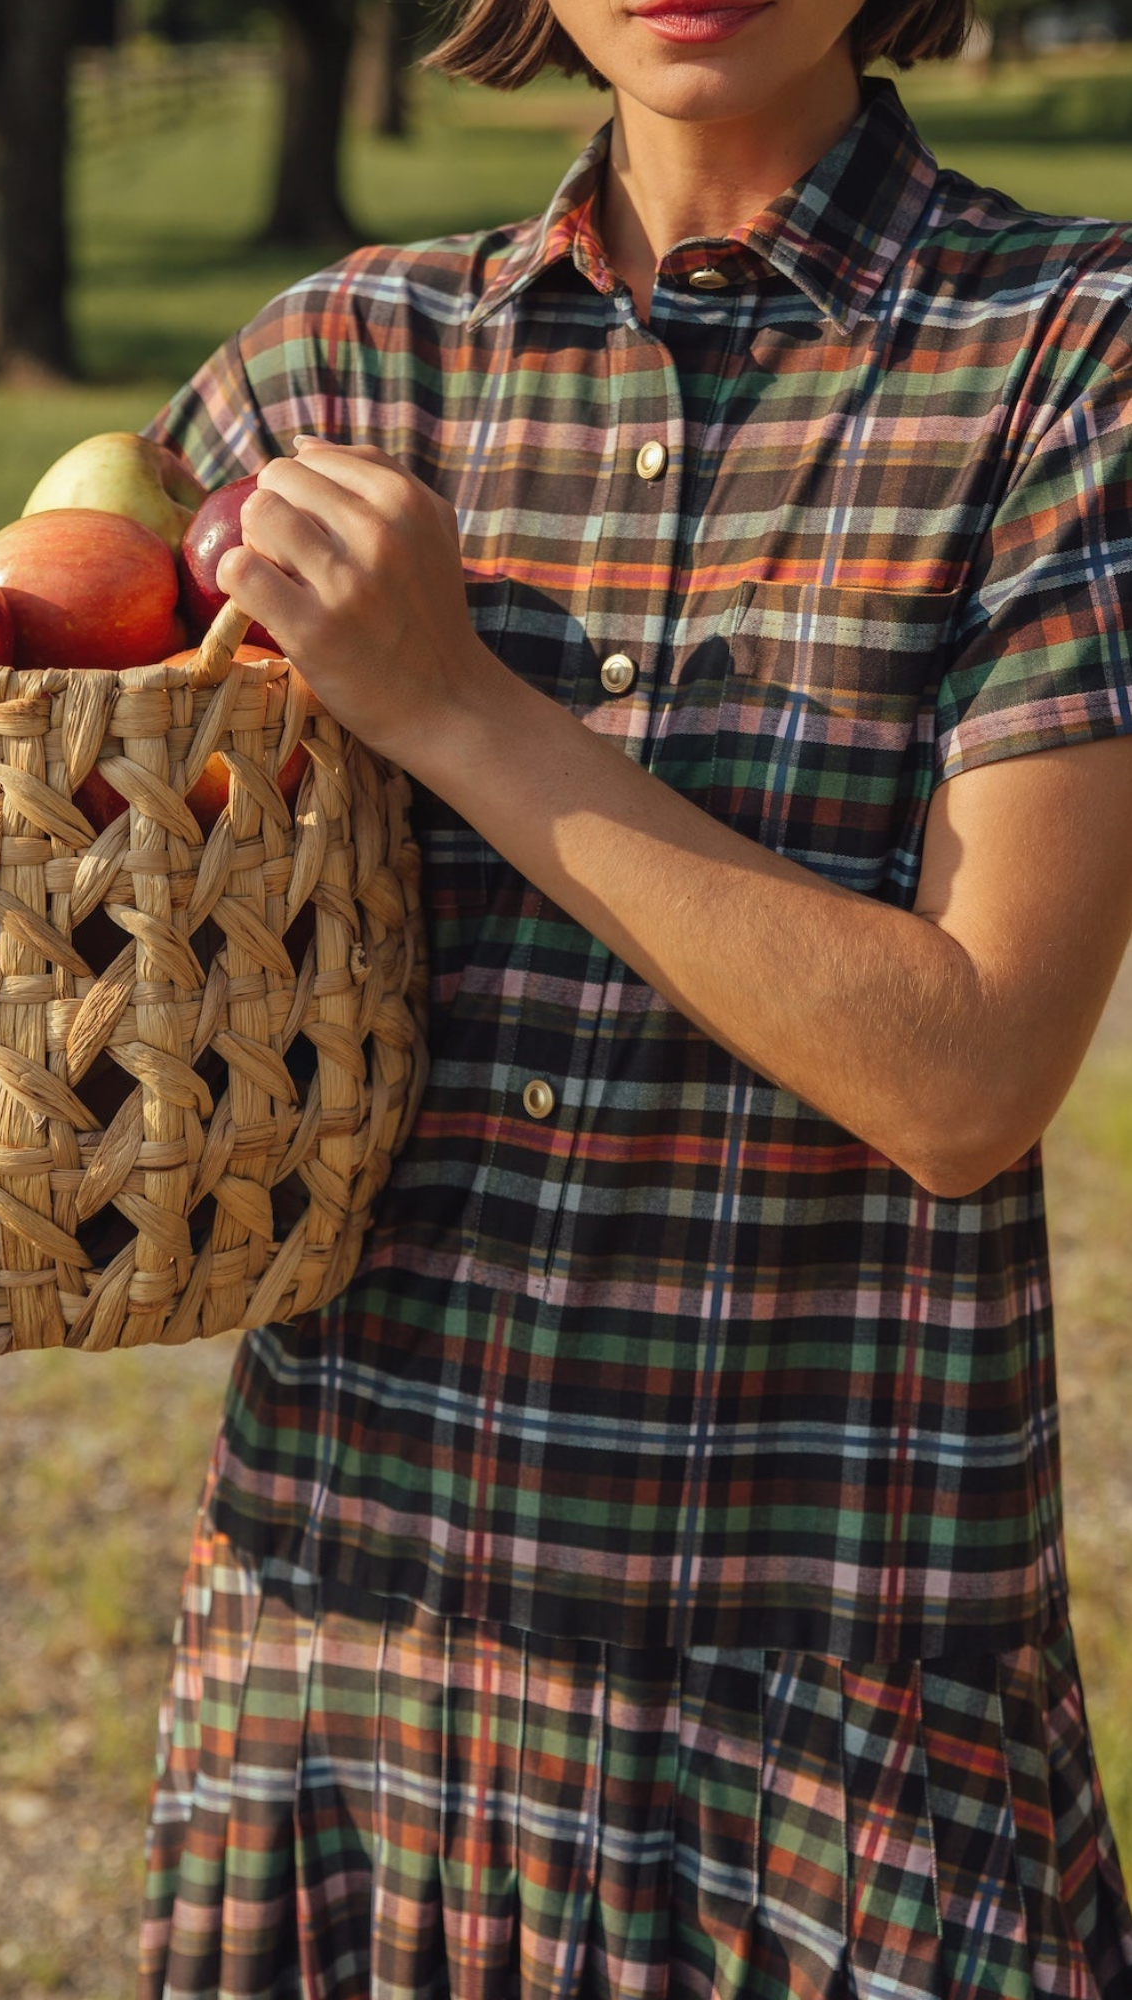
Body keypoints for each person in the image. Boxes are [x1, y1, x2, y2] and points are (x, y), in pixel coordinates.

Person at [133, 0, 1132, 1995]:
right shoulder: (331, 378)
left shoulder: (1065, 356)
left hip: (831, 1735)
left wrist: (453, 708)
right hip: (357, 1687)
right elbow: (60, 919)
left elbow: (968, 1069)